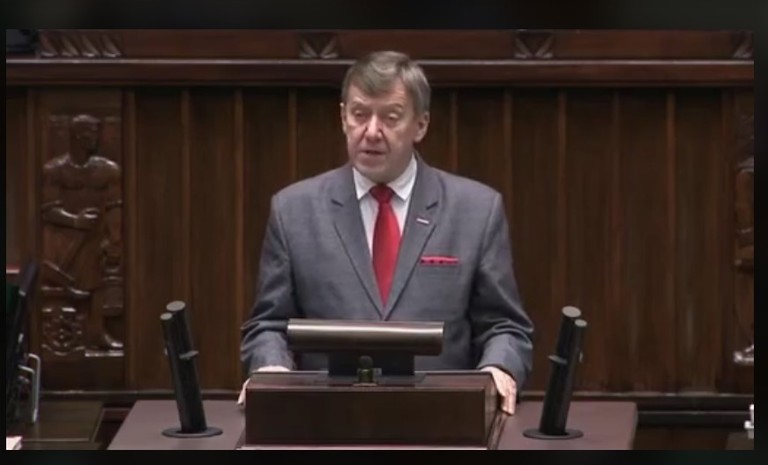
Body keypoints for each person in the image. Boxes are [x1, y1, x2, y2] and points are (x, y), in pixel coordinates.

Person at [240, 51, 533, 414]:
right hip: (325, 418)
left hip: (442, 419)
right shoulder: (293, 211)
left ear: (420, 125)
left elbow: (504, 326)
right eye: (359, 114)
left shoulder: (475, 210)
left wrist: (499, 368)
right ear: (343, 118)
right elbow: (268, 324)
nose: (371, 132)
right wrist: (271, 368)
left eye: (390, 118)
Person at [41, 113, 123, 353]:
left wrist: (115, 238)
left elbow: (115, 207)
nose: (95, 138)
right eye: (90, 134)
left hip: (96, 237)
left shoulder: (108, 170)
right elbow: (47, 209)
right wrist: (75, 220)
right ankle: (63, 337)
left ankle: (97, 333)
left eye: (97, 133)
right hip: (63, 239)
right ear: (77, 136)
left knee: (98, 286)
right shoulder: (54, 170)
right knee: (65, 288)